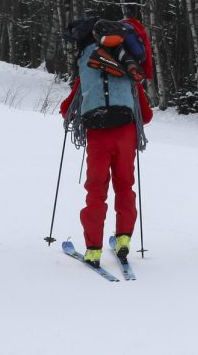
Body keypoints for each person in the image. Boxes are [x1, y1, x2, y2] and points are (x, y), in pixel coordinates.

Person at [59, 16, 153, 267]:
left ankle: (93, 248)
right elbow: (147, 116)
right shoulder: (127, 71)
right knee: (125, 187)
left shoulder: (87, 69)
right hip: (125, 135)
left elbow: (65, 109)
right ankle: (123, 239)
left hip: (98, 134)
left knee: (96, 192)